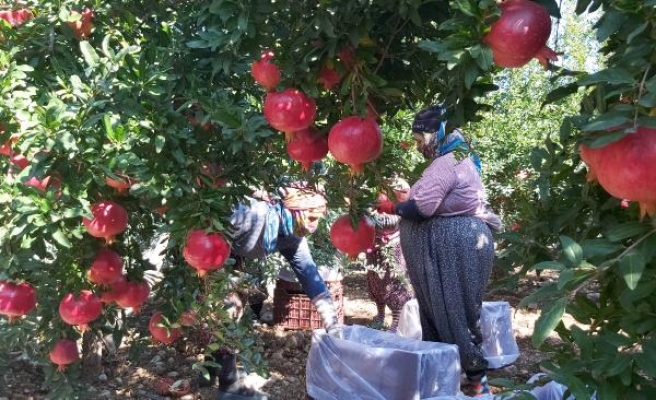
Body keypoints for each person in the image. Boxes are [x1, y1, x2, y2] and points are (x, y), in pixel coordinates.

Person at [375, 105, 502, 397]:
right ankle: (458, 376)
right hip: (456, 245)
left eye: (420, 140)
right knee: (455, 311)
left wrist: (392, 207)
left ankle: (473, 379)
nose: (419, 147)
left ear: (437, 133)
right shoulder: (459, 154)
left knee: (452, 311)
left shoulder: (447, 161)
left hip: (452, 249)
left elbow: (422, 208)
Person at [208, 183, 340, 400]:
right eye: (312, 218)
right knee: (228, 310)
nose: (314, 226)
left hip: (232, 255)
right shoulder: (248, 214)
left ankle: (210, 369)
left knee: (229, 312)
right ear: (295, 211)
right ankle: (228, 384)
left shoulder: (293, 237)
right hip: (213, 254)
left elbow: (309, 275)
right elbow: (208, 227)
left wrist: (332, 322)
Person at [366, 178, 414, 332]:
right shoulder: (372, 187)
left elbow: (405, 209)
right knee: (376, 280)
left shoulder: (400, 185)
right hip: (375, 245)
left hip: (395, 245)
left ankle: (397, 318)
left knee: (394, 280)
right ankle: (380, 315)